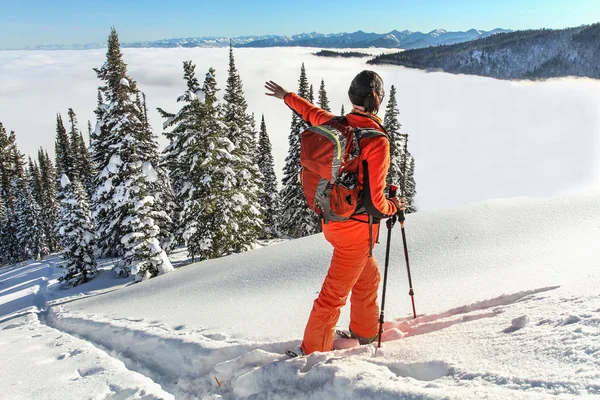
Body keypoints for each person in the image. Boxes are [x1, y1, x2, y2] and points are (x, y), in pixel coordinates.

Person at [265, 70, 405, 355]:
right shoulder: (376, 140)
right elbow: (378, 203)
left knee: (368, 277)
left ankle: (365, 332)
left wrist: (286, 96)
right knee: (332, 296)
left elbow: (310, 112)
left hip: (333, 220)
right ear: (376, 100)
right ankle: (312, 352)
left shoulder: (336, 124)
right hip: (355, 230)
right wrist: (395, 206)